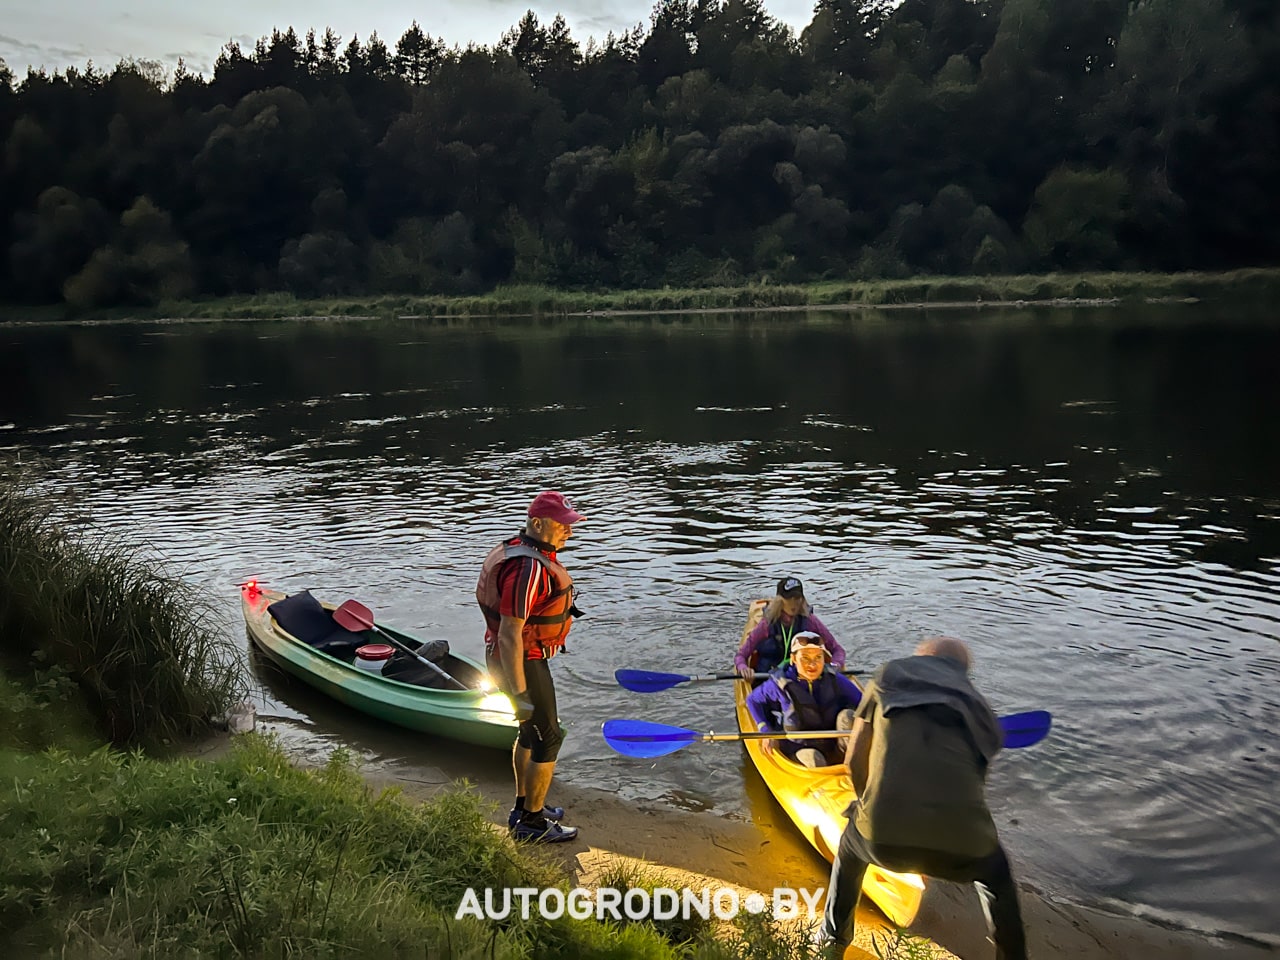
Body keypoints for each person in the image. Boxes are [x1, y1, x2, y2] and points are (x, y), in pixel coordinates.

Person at [819, 637, 1028, 960]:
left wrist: (866, 804)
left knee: (850, 849)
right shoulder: (983, 709)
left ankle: (831, 945)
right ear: (962, 671)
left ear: (922, 657)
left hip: (880, 837)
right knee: (997, 876)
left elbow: (853, 759)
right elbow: (972, 788)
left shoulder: (889, 675)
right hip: (964, 847)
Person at [476, 490, 585, 843]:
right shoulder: (528, 567)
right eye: (563, 526)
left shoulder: (522, 551)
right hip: (521, 659)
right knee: (548, 737)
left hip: (516, 657)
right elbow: (510, 633)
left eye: (570, 525)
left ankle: (524, 807)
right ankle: (532, 824)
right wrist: (520, 691)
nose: (569, 532)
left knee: (529, 732)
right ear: (537, 524)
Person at [744, 631, 862, 767]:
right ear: (793, 659)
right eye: (805, 658)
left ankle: (850, 764)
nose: (812, 665)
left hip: (833, 743)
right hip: (799, 747)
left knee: (848, 716)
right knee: (813, 759)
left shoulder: (835, 679)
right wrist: (765, 731)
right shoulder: (779, 685)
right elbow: (752, 700)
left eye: (818, 658)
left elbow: (863, 703)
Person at [735, 576, 845, 679]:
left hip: (800, 678)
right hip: (768, 678)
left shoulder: (810, 621)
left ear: (802, 599)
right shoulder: (767, 624)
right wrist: (743, 668)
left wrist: (835, 665)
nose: (794, 603)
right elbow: (741, 655)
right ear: (779, 600)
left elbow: (837, 650)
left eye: (797, 598)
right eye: (789, 598)